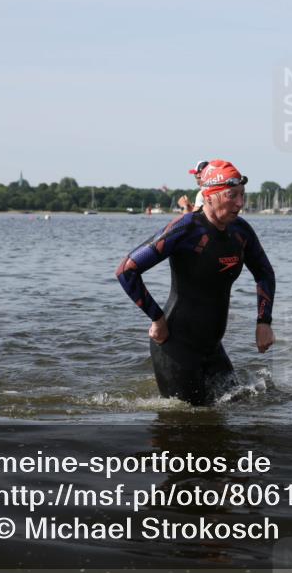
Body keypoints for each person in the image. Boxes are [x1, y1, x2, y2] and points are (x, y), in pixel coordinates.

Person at [116, 159, 275, 406]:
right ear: (209, 196)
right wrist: (157, 319)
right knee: (187, 424)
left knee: (237, 406)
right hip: (175, 346)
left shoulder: (240, 231)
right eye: (232, 195)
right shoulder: (185, 229)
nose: (240, 204)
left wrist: (264, 322)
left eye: (242, 195)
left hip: (212, 346)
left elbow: (264, 272)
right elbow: (127, 271)